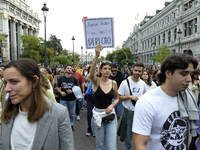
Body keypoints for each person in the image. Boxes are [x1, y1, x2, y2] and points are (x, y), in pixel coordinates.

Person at [0, 58, 74, 150]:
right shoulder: (7, 114)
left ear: (34, 81)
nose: (7, 89)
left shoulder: (58, 113)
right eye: (5, 82)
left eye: (14, 81)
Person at [132, 53, 199, 150]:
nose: (189, 79)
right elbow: (140, 145)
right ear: (168, 73)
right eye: (184, 74)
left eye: (190, 74)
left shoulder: (187, 98)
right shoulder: (147, 102)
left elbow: (185, 134)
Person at [91, 45, 119, 150]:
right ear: (101, 70)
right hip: (98, 116)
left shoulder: (114, 83)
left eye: (109, 69)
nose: (107, 70)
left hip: (110, 116)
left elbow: (117, 98)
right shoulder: (96, 81)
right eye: (105, 68)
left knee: (112, 147)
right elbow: (91, 73)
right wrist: (96, 56)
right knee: (100, 146)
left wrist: (112, 105)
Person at [117, 62, 147, 150]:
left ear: (142, 72)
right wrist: (130, 97)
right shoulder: (124, 83)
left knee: (139, 138)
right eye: (135, 70)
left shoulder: (143, 84)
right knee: (128, 138)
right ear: (132, 70)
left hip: (139, 114)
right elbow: (118, 97)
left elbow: (146, 98)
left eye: (139, 71)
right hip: (128, 113)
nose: (137, 72)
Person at [56, 64, 79, 130]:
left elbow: (77, 87)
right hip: (63, 99)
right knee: (63, 113)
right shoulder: (61, 78)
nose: (69, 69)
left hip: (72, 99)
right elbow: (57, 87)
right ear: (65, 69)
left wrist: (72, 91)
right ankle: (63, 125)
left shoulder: (74, 79)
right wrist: (61, 92)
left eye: (70, 68)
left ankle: (71, 124)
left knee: (71, 113)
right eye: (68, 68)